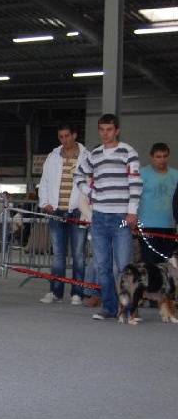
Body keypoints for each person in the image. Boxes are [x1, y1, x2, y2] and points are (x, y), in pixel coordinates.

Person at [74, 113, 142, 321]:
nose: (105, 134)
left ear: (117, 130)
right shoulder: (95, 154)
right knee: (102, 266)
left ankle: (129, 310)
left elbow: (135, 183)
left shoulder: (128, 152)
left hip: (121, 216)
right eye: (102, 130)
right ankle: (109, 308)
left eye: (109, 130)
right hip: (99, 216)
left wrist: (132, 211)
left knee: (124, 266)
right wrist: (90, 192)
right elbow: (78, 174)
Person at [37, 123, 91, 306]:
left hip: (78, 211)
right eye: (61, 136)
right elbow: (44, 182)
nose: (64, 140)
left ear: (74, 135)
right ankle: (55, 291)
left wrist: (88, 208)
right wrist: (45, 203)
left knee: (79, 255)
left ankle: (77, 293)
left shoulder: (87, 156)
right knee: (58, 254)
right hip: (56, 211)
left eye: (67, 136)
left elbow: (91, 183)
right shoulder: (52, 157)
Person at [137, 143, 178, 264]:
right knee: (150, 264)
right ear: (151, 157)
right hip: (147, 226)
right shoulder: (141, 174)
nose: (162, 160)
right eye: (158, 156)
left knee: (168, 264)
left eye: (165, 156)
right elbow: (133, 198)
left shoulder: (176, 175)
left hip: (169, 225)